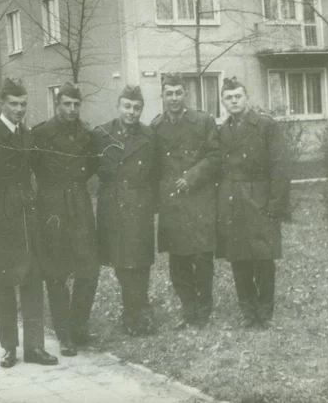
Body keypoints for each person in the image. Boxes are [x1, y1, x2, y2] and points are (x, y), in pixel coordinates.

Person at [0, 78, 58, 368]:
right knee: (4, 285)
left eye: (23, 104)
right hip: (0, 223)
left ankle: (34, 347)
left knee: (32, 282)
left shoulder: (26, 136)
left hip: (27, 221)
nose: (19, 109)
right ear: (2, 104)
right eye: (14, 104)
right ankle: (9, 348)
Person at [31, 81, 99, 357]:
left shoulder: (86, 133)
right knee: (57, 273)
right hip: (53, 210)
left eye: (76, 104)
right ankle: (65, 334)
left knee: (89, 269)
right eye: (67, 104)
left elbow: (92, 164)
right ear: (57, 104)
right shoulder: (42, 134)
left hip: (80, 205)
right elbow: (34, 166)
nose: (72, 109)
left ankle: (79, 325)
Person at [216, 77, 290, 329]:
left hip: (260, 200)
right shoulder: (223, 131)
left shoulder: (266, 126)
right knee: (239, 259)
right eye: (229, 97)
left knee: (263, 258)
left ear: (246, 98)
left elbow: (280, 167)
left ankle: (265, 312)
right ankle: (247, 311)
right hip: (234, 202)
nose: (234, 101)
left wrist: (275, 204)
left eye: (238, 96)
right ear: (223, 102)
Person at [151, 72, 221, 329]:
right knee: (178, 261)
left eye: (178, 92)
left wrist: (192, 176)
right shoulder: (156, 127)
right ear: (162, 95)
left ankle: (203, 312)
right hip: (172, 203)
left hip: (199, 199)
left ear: (186, 94)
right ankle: (188, 310)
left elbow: (215, 157)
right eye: (169, 93)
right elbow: (154, 166)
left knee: (202, 258)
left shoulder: (203, 122)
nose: (174, 98)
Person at [93, 85, 157, 336]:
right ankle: (135, 311)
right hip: (113, 206)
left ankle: (138, 311)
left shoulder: (149, 136)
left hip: (139, 205)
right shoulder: (101, 135)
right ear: (118, 106)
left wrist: (150, 203)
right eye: (127, 106)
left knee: (140, 262)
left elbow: (155, 172)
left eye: (137, 107)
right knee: (121, 262)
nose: (132, 112)